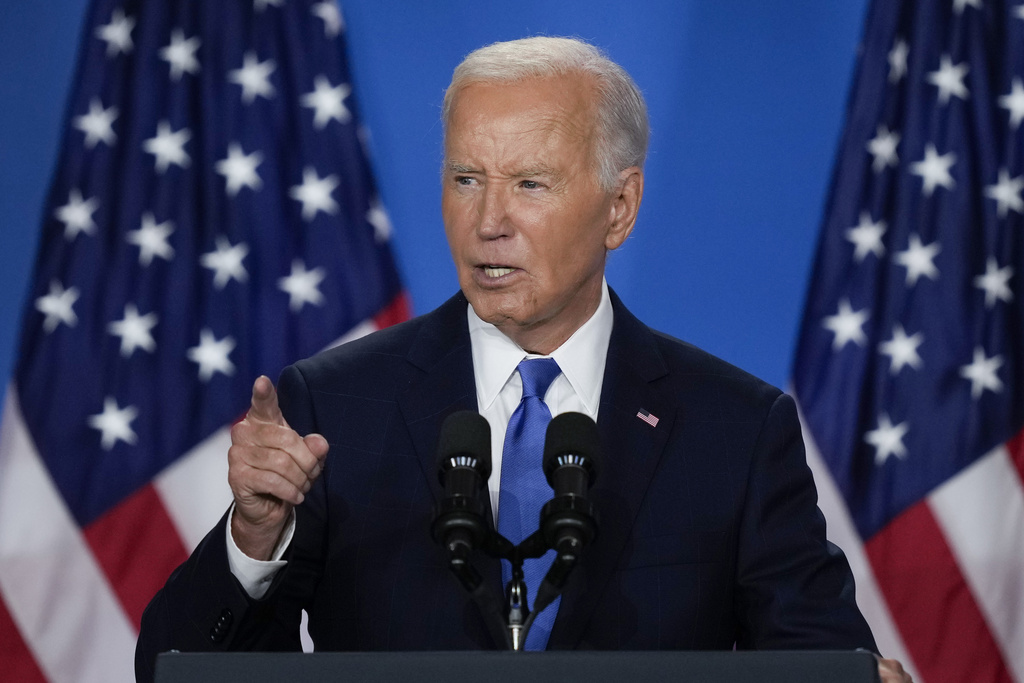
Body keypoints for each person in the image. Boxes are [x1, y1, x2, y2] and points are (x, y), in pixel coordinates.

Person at [135, 37, 911, 683]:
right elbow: (176, 667)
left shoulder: (734, 428)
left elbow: (817, 658)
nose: (488, 221)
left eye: (529, 183)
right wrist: (255, 536)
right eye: (466, 179)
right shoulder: (337, 407)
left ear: (620, 207)